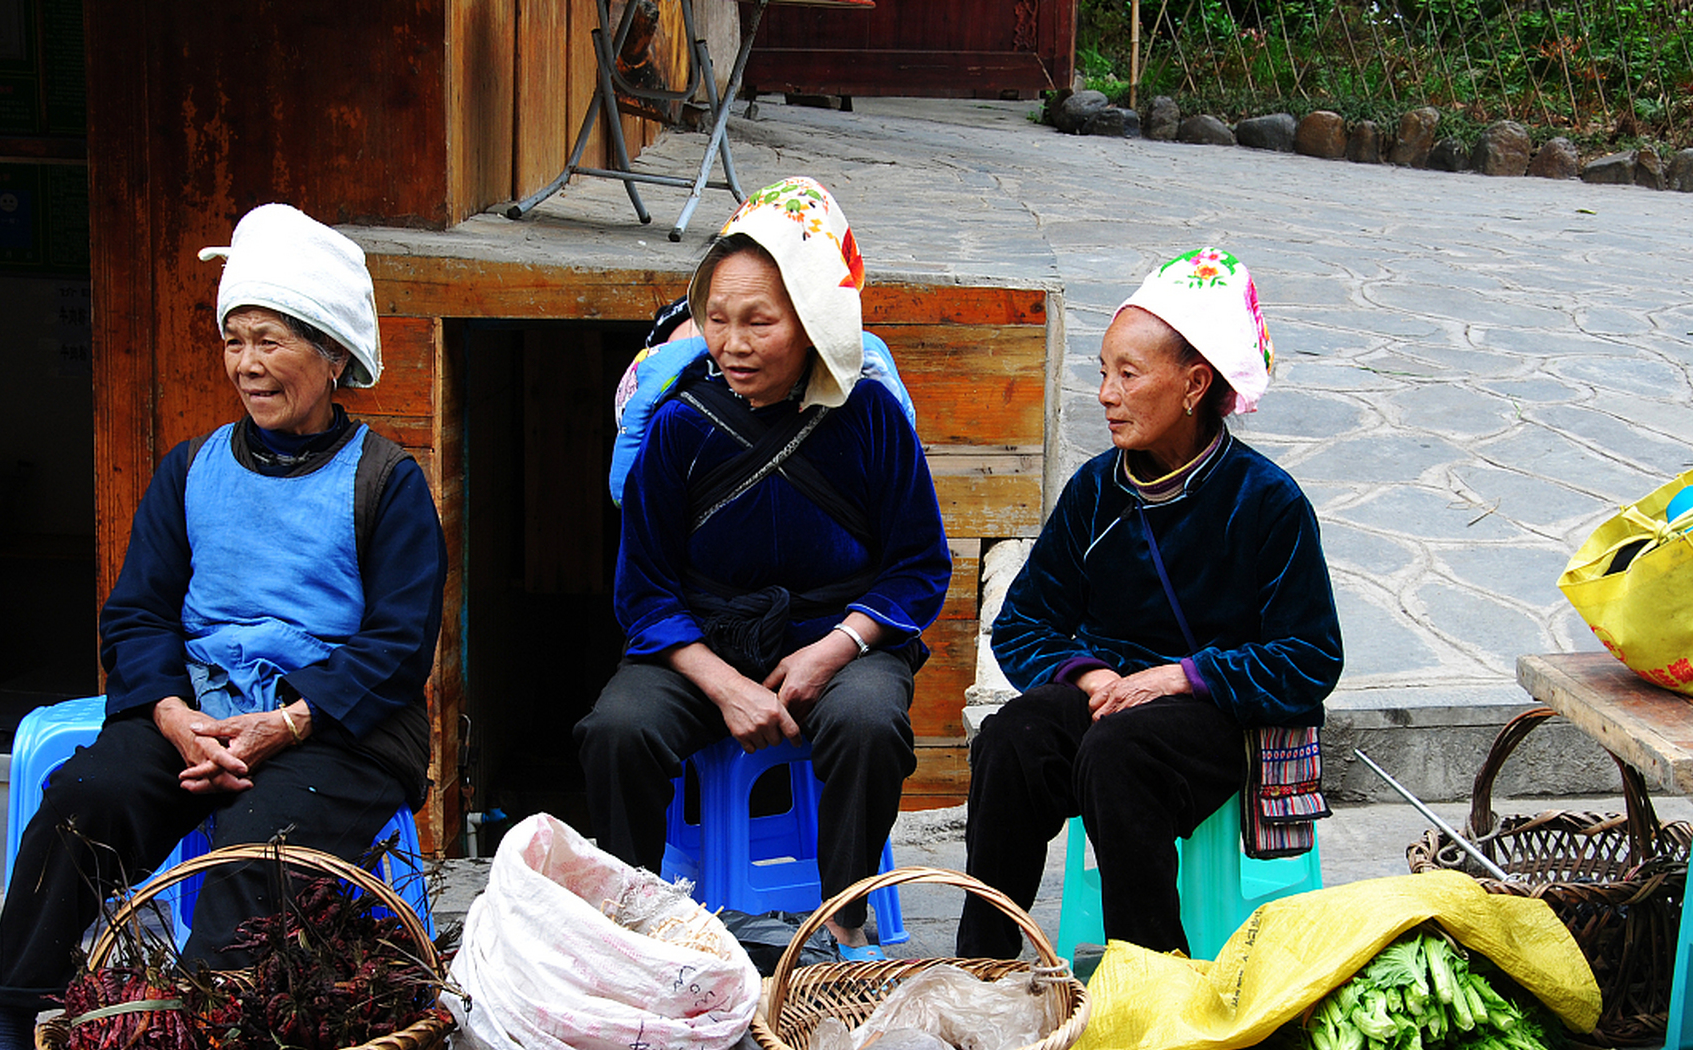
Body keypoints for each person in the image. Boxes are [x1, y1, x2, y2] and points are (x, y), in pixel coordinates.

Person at [0, 204, 446, 1050]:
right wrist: (174, 714)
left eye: (270, 340)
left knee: (258, 839)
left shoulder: (387, 482)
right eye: (234, 340)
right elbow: (137, 612)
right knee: (85, 794)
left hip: (336, 725)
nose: (247, 364)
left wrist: (284, 726)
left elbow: (396, 645)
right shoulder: (190, 471)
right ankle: (12, 1016)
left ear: (332, 355)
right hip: (198, 709)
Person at [575, 176, 951, 960]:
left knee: (868, 722)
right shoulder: (680, 427)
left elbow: (918, 565)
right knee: (618, 729)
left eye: (758, 321)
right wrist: (723, 683)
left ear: (811, 323)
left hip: (837, 638)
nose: (732, 344)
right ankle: (630, 930)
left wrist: (837, 646)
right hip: (700, 645)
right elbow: (642, 588)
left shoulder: (870, 418)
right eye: (716, 320)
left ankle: (842, 925)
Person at [956, 248, 1342, 960]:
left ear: (1194, 384)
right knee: (1014, 737)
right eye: (1102, 372)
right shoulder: (1096, 490)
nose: (1105, 393)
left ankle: (1152, 976)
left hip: (1219, 715)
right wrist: (1092, 676)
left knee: (1116, 754)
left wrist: (1182, 676)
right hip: (1113, 695)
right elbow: (1021, 624)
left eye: (1127, 375)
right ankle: (982, 965)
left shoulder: (1267, 502)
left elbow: (1309, 658)